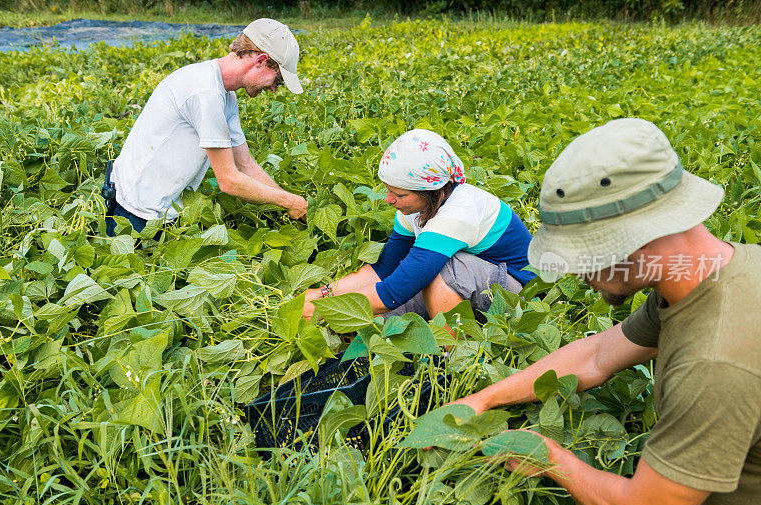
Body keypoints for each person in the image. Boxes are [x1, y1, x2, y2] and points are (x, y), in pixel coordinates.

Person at [451, 118, 760, 505]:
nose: (575, 271)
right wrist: (484, 400)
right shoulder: (719, 273)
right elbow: (596, 355)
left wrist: (548, 457)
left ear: (637, 240)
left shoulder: (716, 360)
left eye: (584, 253)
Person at [302, 129, 535, 321]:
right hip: (479, 284)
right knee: (381, 319)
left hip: (522, 298)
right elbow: (384, 269)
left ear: (429, 191)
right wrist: (323, 294)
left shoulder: (457, 215)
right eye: (389, 191)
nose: (388, 200)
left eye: (399, 195)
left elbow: (395, 291)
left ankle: (452, 359)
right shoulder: (415, 208)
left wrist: (326, 308)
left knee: (442, 272)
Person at [104, 18, 308, 237]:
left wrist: (296, 207)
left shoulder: (225, 94)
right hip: (131, 216)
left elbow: (246, 165)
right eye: (277, 80)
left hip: (160, 214)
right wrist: (290, 201)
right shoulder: (205, 93)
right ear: (260, 61)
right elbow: (229, 181)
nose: (274, 90)